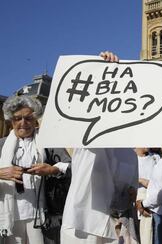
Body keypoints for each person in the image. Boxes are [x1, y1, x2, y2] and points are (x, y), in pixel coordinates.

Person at [60, 51, 139, 244]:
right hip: (81, 228)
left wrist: (129, 194)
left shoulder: (130, 155)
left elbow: (128, 195)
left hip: (114, 231)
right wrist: (106, 68)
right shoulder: (87, 142)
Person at [0, 95, 71, 244]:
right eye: (17, 118)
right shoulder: (1, 145)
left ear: (35, 119)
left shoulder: (48, 141)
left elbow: (71, 166)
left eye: (28, 118)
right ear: (10, 120)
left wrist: (52, 170)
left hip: (42, 215)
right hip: (10, 217)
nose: (23, 123)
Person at [135, 148, 157, 244]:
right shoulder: (131, 157)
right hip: (134, 199)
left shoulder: (155, 158)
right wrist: (140, 180)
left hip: (149, 201)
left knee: (147, 234)